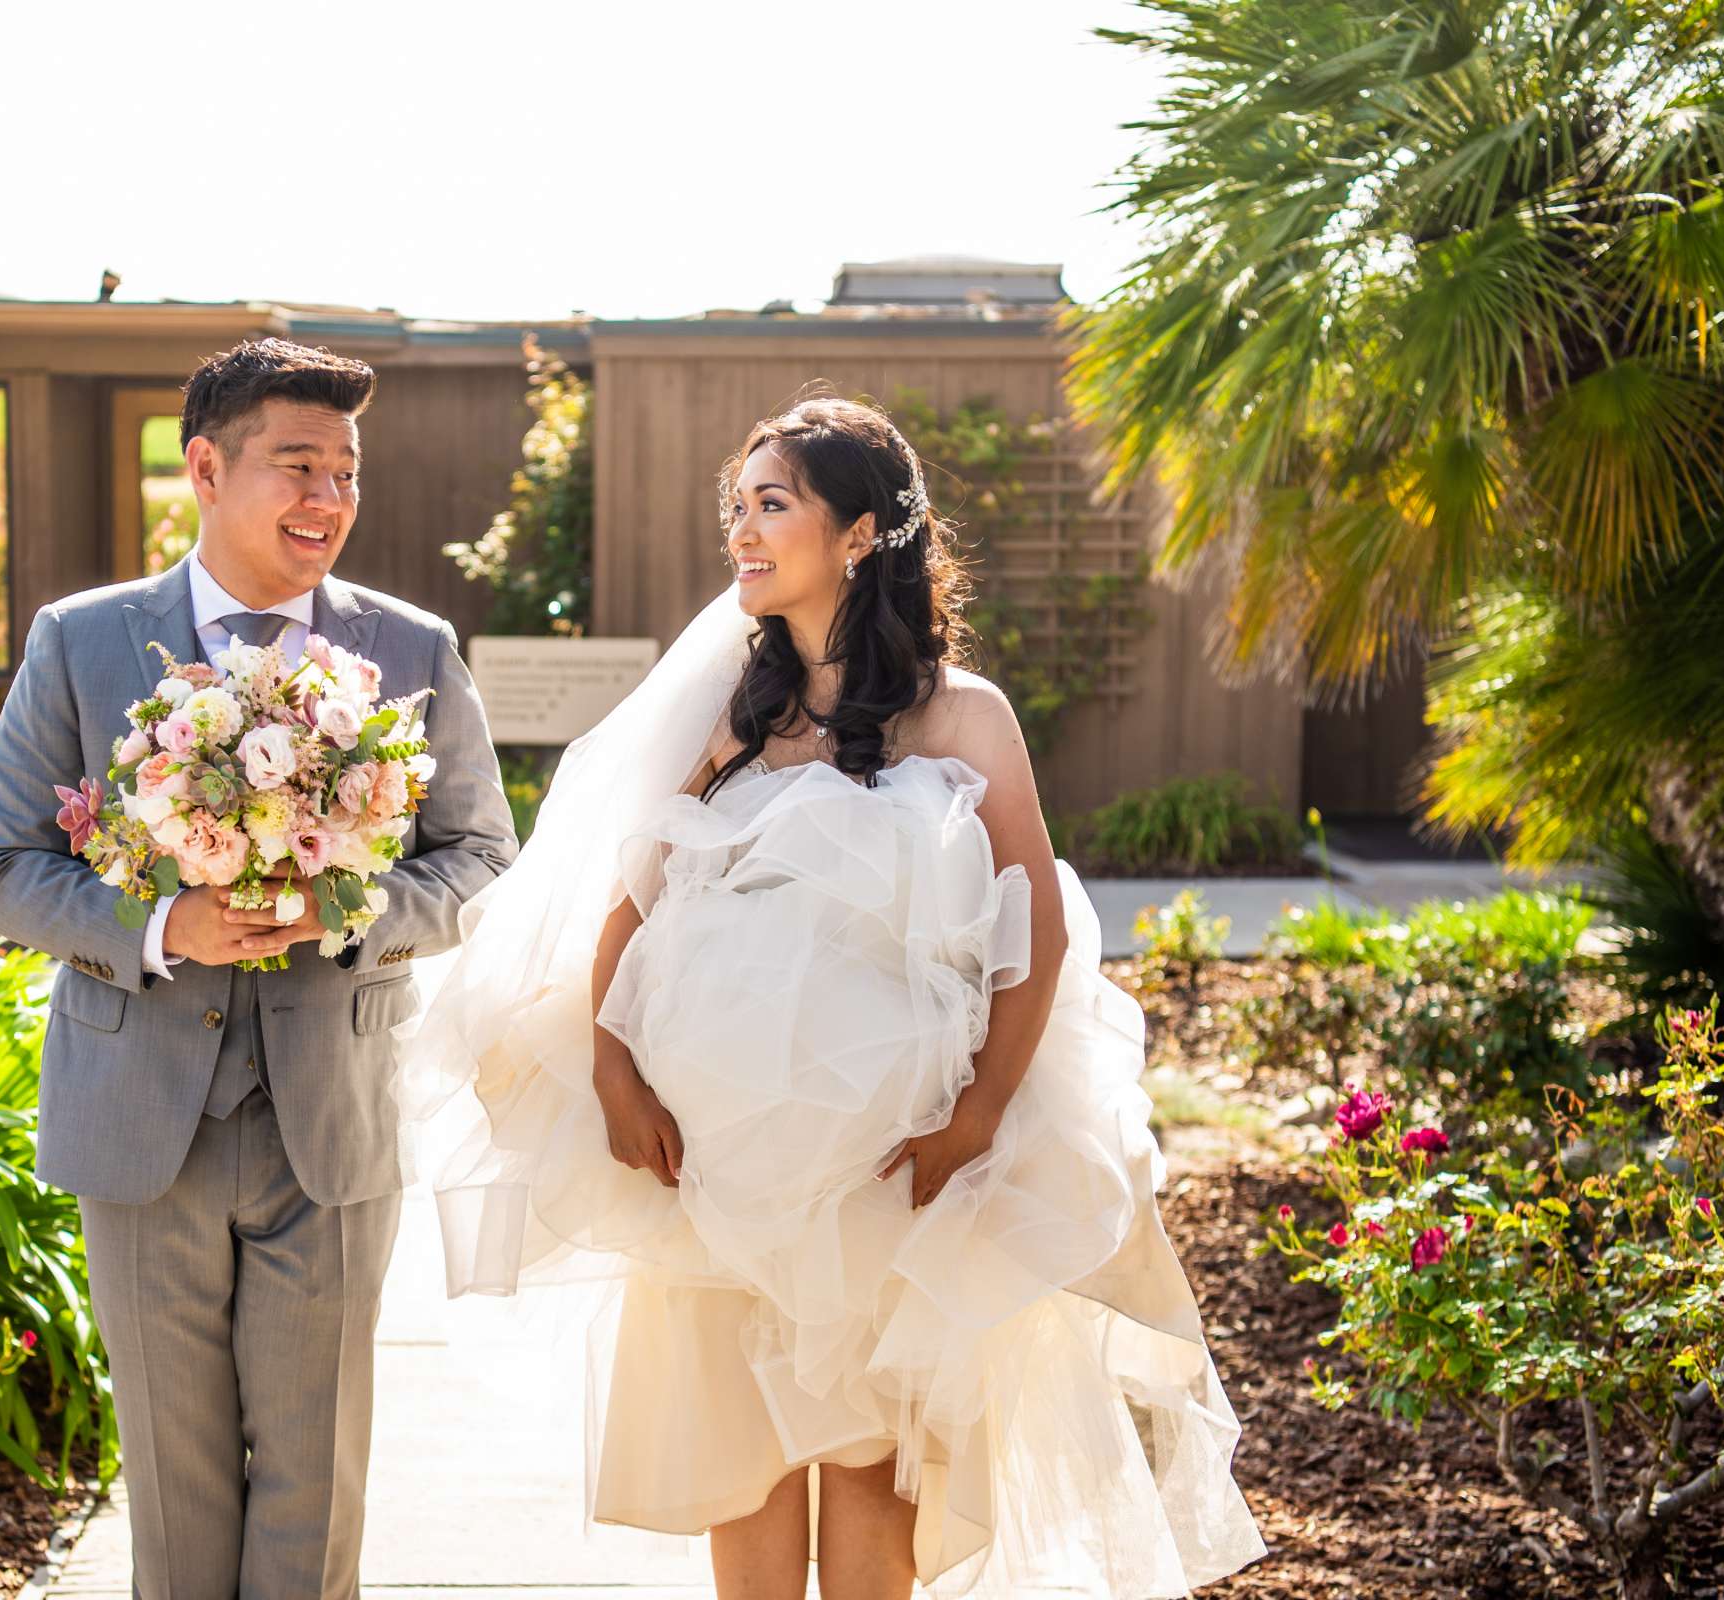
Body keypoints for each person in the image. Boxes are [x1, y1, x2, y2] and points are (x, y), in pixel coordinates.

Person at [414, 396, 1266, 1598]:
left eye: (772, 505)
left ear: (860, 532)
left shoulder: (964, 716)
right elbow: (631, 905)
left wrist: (976, 1116)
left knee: (871, 1466)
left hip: (883, 1172)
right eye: (736, 507)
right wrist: (612, 1069)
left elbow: (1037, 932)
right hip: (710, 1168)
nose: (742, 533)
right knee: (747, 1466)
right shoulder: (734, 719)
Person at [0, 337, 519, 1600]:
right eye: (298, 465)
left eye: (347, 472)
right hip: (140, 1116)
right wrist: (168, 929)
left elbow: (484, 856)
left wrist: (357, 913)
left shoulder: (415, 648)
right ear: (206, 467)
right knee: (175, 1473)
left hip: (329, 1118)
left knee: (317, 1477)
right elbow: (1, 868)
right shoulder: (82, 643)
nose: (327, 498)